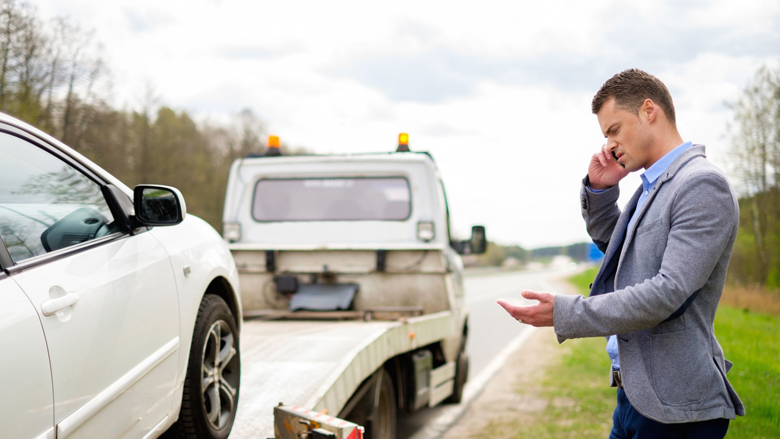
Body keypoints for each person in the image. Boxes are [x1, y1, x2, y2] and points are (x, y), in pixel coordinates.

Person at [498, 69, 744, 439]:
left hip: (676, 408)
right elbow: (623, 253)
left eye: (614, 130)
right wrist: (599, 192)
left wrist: (569, 312)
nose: (609, 144)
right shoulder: (650, 185)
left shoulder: (701, 184)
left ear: (649, 111)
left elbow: (667, 293)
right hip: (635, 398)